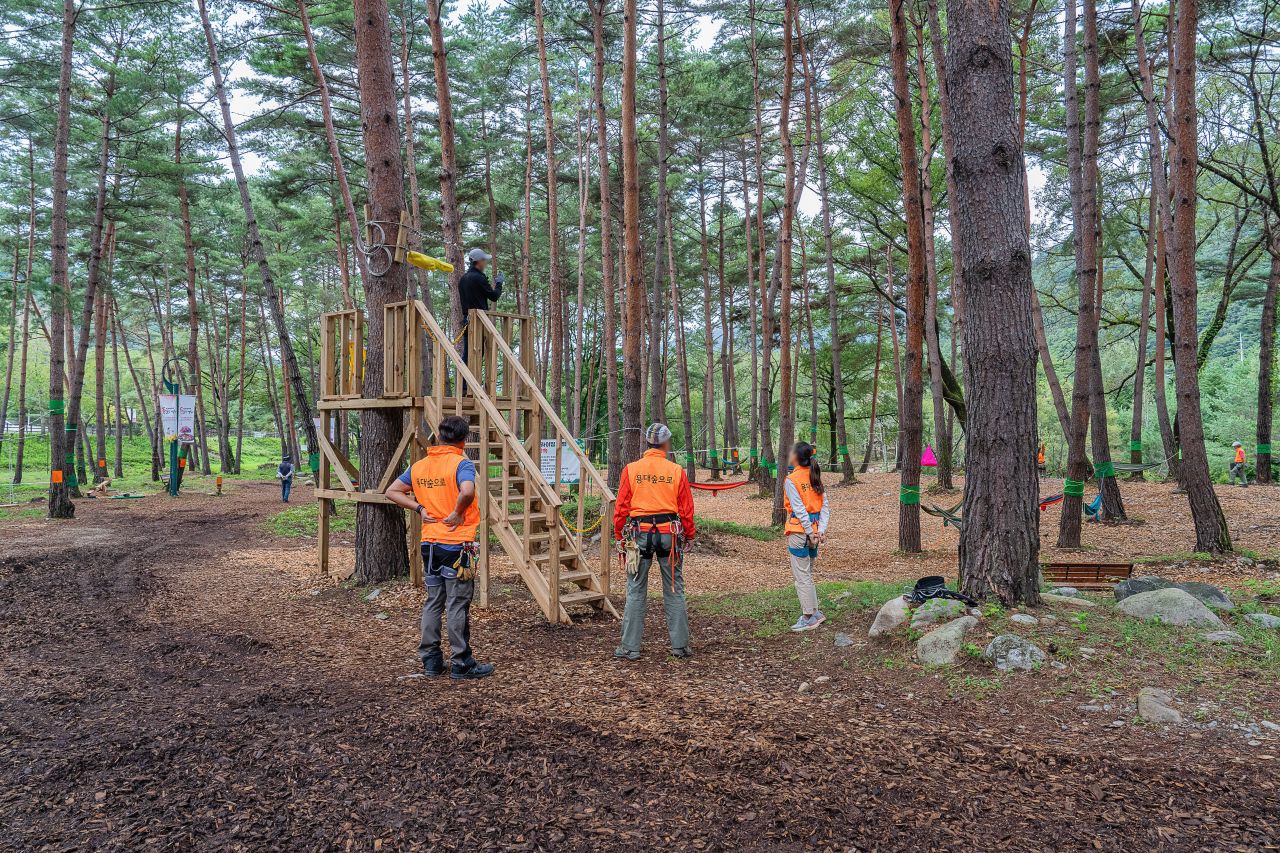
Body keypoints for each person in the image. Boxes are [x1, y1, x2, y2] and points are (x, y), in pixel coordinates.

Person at [386, 415, 496, 680]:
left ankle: (431, 660)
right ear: (463, 439)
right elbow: (467, 491)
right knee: (457, 603)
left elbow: (392, 491)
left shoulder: (420, 466)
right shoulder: (462, 463)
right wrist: (458, 512)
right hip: (457, 545)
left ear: (439, 436)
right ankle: (462, 663)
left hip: (430, 544)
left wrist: (419, 508)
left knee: (434, 602)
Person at [612, 423, 697, 660]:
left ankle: (630, 647)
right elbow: (686, 509)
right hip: (669, 535)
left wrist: (619, 535)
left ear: (647, 444)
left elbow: (621, 508)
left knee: (636, 589)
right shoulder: (676, 471)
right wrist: (689, 535)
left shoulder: (631, 470)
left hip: (639, 535)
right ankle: (679, 646)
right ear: (666, 444)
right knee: (674, 589)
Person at [783, 442, 830, 632]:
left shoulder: (791, 479)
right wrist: (820, 531)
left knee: (801, 576)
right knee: (807, 574)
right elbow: (824, 507)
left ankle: (808, 617)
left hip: (800, 532)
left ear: (795, 456)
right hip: (814, 532)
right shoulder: (815, 476)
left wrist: (810, 533)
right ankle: (815, 612)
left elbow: (799, 509)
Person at [458, 248, 504, 320]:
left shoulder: (463, 279)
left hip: (467, 321)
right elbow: (494, 296)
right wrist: (499, 283)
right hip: (480, 321)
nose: (485, 263)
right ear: (479, 261)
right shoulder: (479, 277)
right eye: (484, 260)